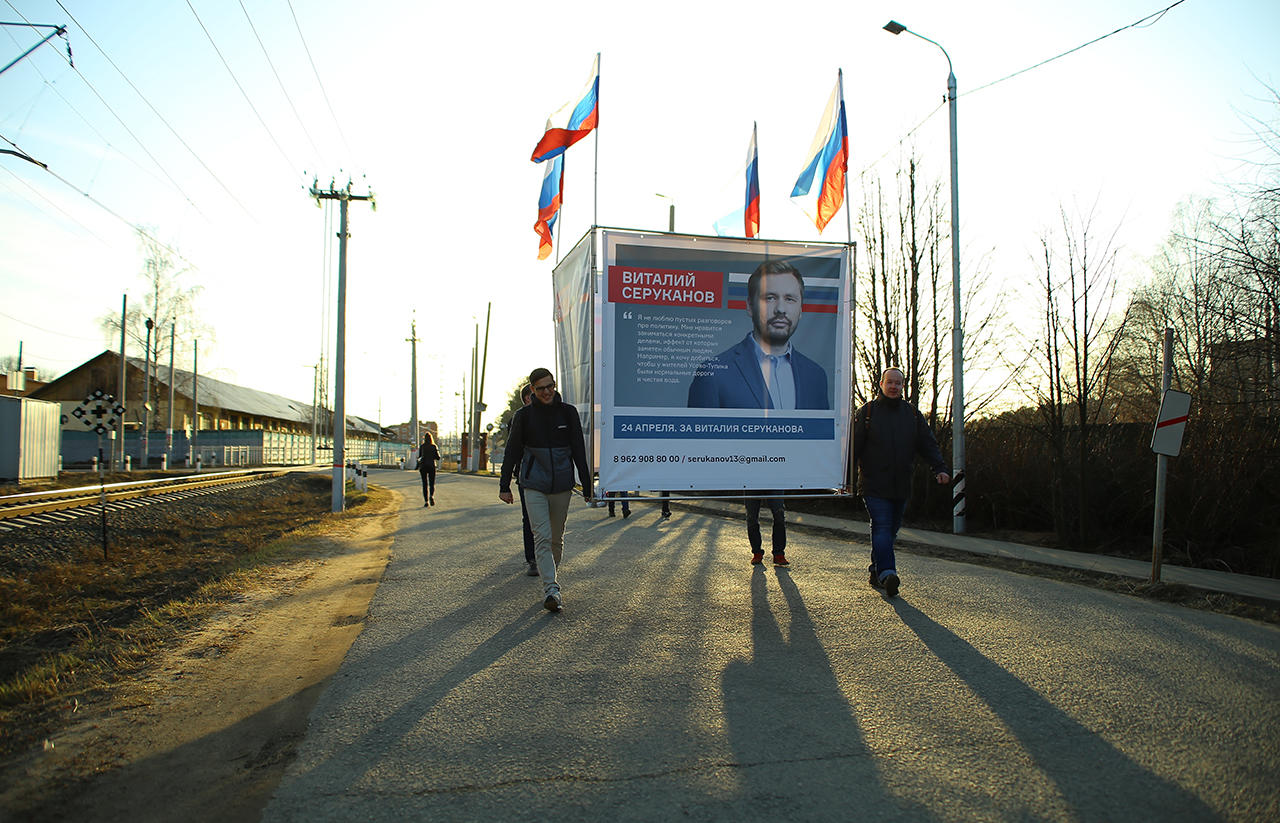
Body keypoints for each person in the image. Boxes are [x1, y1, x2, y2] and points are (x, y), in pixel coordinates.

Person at [499, 368, 593, 612]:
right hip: (533, 485)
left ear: (555, 384)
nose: (547, 392)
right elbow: (512, 451)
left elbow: (579, 450)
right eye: (541, 388)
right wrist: (504, 485)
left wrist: (586, 485)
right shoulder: (523, 416)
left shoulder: (568, 413)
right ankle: (551, 589)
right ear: (532, 390)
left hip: (562, 485)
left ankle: (550, 575)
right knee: (541, 536)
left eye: (550, 386)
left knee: (555, 539)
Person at [852, 367, 950, 598]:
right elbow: (853, 447)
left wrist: (940, 468)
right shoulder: (867, 412)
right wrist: (844, 477)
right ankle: (888, 574)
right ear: (881, 384)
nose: (894, 387)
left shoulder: (912, 415)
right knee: (882, 527)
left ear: (903, 386)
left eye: (898, 383)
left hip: (902, 485)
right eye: (890, 382)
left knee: (891, 531)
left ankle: (876, 571)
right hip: (873, 484)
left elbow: (928, 444)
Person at [688, 260, 830, 410]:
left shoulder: (816, 376)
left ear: (800, 310)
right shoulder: (713, 373)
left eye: (789, 299)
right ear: (750, 306)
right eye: (770, 298)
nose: (780, 309)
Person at [515, 384, 538, 576]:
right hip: (527, 477)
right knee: (529, 518)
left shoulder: (552, 416)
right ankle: (532, 559)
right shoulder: (520, 418)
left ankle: (547, 555)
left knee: (547, 520)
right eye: (531, 396)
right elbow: (512, 450)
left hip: (550, 477)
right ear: (526, 399)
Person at [746, 492, 788, 566]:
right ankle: (756, 553)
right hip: (751, 487)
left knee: (779, 516)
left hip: (774, 486)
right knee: (751, 518)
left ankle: (779, 554)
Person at [417, 431, 440, 507]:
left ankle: (426, 501)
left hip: (423, 466)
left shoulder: (422, 446)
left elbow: (420, 456)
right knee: (431, 483)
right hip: (431, 466)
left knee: (425, 484)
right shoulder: (434, 446)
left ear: (425, 439)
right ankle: (431, 496)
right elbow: (438, 457)